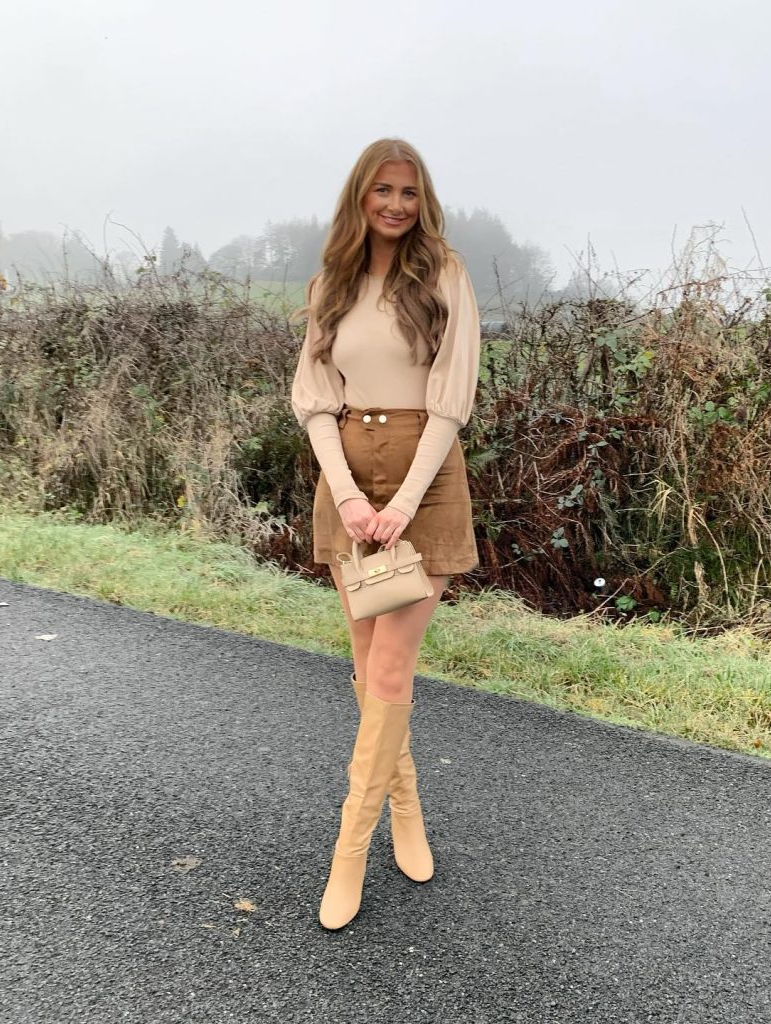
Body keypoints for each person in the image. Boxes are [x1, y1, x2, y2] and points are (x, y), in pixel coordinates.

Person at [289, 137, 481, 930]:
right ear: (360, 197)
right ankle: (406, 809)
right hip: (349, 480)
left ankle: (348, 854)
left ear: (422, 199)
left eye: (408, 192)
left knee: (392, 669)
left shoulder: (444, 274)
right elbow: (314, 397)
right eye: (383, 190)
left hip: (423, 481)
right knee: (369, 669)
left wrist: (402, 502)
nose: (396, 205)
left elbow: (451, 398)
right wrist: (347, 495)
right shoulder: (331, 283)